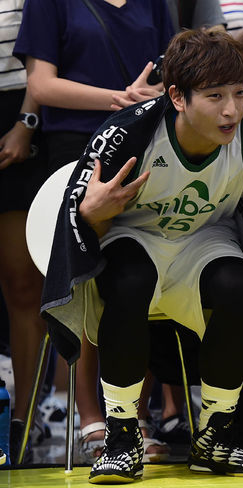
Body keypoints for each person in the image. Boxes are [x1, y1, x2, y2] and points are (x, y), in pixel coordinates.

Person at [39, 28, 243, 483]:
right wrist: (93, 214)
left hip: (204, 240)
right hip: (133, 235)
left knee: (236, 283)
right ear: (177, 97)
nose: (231, 109)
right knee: (128, 279)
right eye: (215, 96)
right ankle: (122, 438)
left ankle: (215, 437)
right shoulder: (129, 132)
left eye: (239, 93)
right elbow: (79, 226)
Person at [13, 0, 175, 463]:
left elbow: (174, 69)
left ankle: (136, 418)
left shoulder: (154, 3)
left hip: (143, 142)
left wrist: (149, 97)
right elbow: (41, 85)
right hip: (75, 148)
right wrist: (119, 98)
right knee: (82, 281)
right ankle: (91, 421)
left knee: (138, 276)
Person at [0, 0, 48, 464]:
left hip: (17, 110)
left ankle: (23, 418)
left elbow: (42, 45)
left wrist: (25, 122)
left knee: (22, 284)